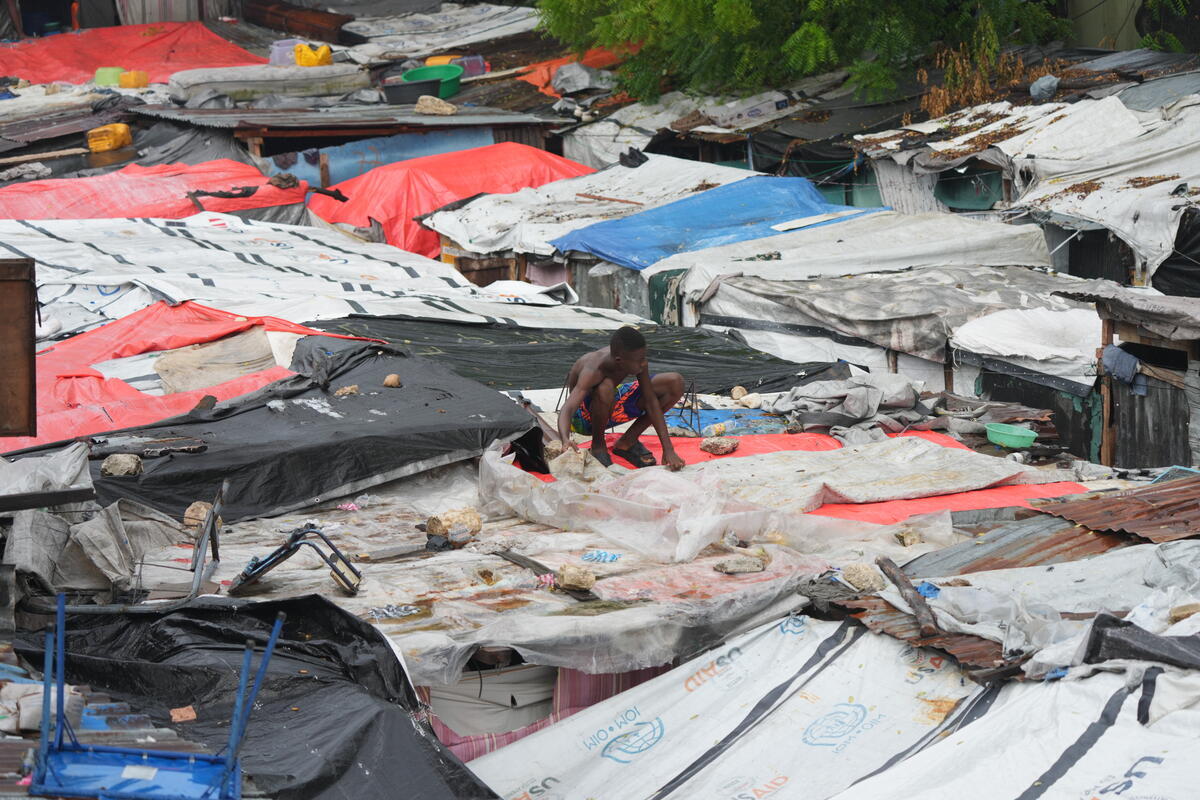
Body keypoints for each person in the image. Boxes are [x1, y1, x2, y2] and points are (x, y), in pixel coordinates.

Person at [556, 326, 686, 470]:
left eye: (644, 357)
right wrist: (565, 439)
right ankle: (598, 446)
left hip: (610, 401)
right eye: (640, 360)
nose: (644, 363)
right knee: (605, 387)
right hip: (584, 419)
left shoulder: (633, 359)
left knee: (675, 382)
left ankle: (627, 442)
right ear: (619, 361)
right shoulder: (593, 369)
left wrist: (668, 449)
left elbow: (650, 401)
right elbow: (568, 408)